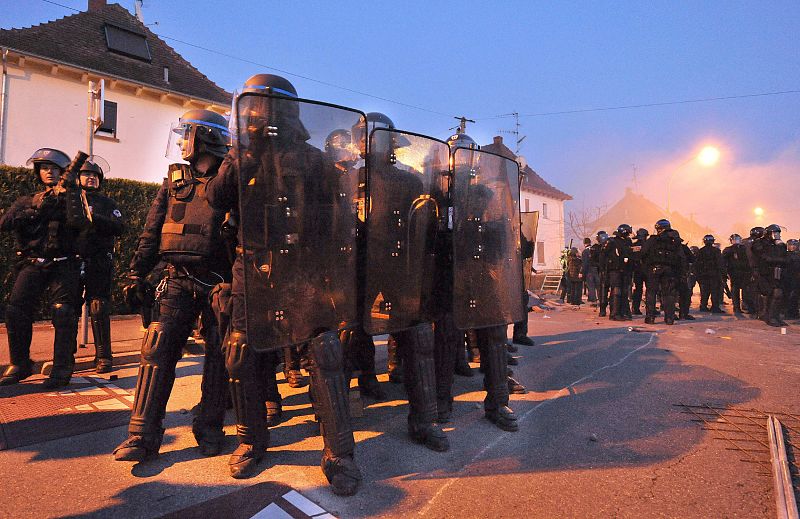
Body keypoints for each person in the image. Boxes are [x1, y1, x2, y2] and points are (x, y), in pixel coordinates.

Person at [206, 74, 361, 494]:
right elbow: (216, 197)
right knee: (241, 352)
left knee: (324, 352)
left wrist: (331, 276)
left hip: (303, 268)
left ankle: (339, 453)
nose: (259, 115)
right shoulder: (240, 156)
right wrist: (246, 156)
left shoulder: (314, 161)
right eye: (254, 108)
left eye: (264, 108)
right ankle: (252, 440)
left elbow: (336, 221)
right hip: (252, 266)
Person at [113, 109, 232, 462]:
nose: (181, 142)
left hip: (218, 283)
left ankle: (210, 428)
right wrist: (136, 272)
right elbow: (153, 230)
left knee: (217, 356)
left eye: (186, 134)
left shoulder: (231, 182)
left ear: (203, 137)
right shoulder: (174, 180)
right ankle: (141, 435)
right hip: (176, 277)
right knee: (158, 348)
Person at [0, 148, 88, 388]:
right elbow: (5, 223)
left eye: (54, 169)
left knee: (63, 312)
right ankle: (19, 363)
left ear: (62, 172)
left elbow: (81, 223)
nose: (49, 172)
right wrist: (36, 210)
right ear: (38, 172)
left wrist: (69, 195)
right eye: (44, 168)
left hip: (64, 263)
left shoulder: (73, 198)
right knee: (16, 310)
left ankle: (61, 368)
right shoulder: (27, 200)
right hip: (33, 262)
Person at [77, 158, 125, 373]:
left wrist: (93, 217)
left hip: (99, 259)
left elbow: (119, 227)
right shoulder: (70, 200)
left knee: (98, 306)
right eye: (87, 174)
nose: (91, 178)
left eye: (95, 176)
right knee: (67, 308)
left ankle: (104, 357)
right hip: (73, 259)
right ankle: (64, 360)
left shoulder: (108, 203)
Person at [642, 219, 684, 325]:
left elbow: (643, 253)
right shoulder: (675, 240)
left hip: (654, 270)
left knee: (651, 293)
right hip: (670, 270)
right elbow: (681, 257)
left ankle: (650, 318)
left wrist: (646, 268)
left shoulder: (653, 240)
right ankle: (669, 319)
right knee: (669, 294)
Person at [751, 224, 788, 327]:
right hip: (763, 273)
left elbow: (784, 257)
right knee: (771, 293)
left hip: (776, 272)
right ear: (769, 233)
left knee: (778, 294)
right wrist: (778, 259)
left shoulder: (777, 244)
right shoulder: (759, 243)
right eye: (775, 233)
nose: (777, 235)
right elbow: (765, 258)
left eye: (778, 233)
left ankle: (775, 316)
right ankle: (769, 317)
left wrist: (780, 246)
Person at [601, 224, 633, 321]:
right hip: (615, 270)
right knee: (616, 291)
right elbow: (603, 255)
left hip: (625, 270)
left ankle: (623, 312)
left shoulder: (627, 241)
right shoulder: (612, 241)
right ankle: (614, 313)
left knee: (624, 292)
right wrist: (604, 269)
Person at [722, 234, 751, 315]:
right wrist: (725, 272)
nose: (736, 241)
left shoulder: (743, 249)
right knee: (735, 290)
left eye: (737, 239)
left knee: (745, 290)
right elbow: (723, 261)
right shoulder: (728, 250)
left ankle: (744, 305)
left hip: (744, 272)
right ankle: (736, 307)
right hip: (733, 273)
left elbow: (748, 260)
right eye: (734, 239)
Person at [696, 234, 725, 313]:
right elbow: (720, 264)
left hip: (704, 275)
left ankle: (703, 306)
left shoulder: (701, 251)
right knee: (714, 291)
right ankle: (715, 307)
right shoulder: (716, 251)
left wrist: (698, 275)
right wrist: (723, 274)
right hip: (714, 275)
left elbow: (697, 264)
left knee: (705, 292)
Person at [630, 228, 649, 315]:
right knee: (650, 290)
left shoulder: (634, 246)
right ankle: (650, 309)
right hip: (647, 270)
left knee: (638, 290)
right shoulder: (648, 245)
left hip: (637, 270)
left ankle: (635, 308)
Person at [591, 231, 610, 316]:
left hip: (608, 270)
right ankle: (603, 309)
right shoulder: (595, 248)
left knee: (605, 290)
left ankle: (606, 309)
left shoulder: (609, 246)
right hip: (601, 271)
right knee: (602, 290)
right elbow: (592, 261)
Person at [785, 239, 800, 319]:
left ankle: (794, 312)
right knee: (789, 295)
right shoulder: (786, 254)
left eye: (795, 245)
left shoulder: (798, 255)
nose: (793, 246)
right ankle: (789, 313)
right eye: (791, 245)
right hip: (788, 278)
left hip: (796, 278)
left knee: (795, 296)